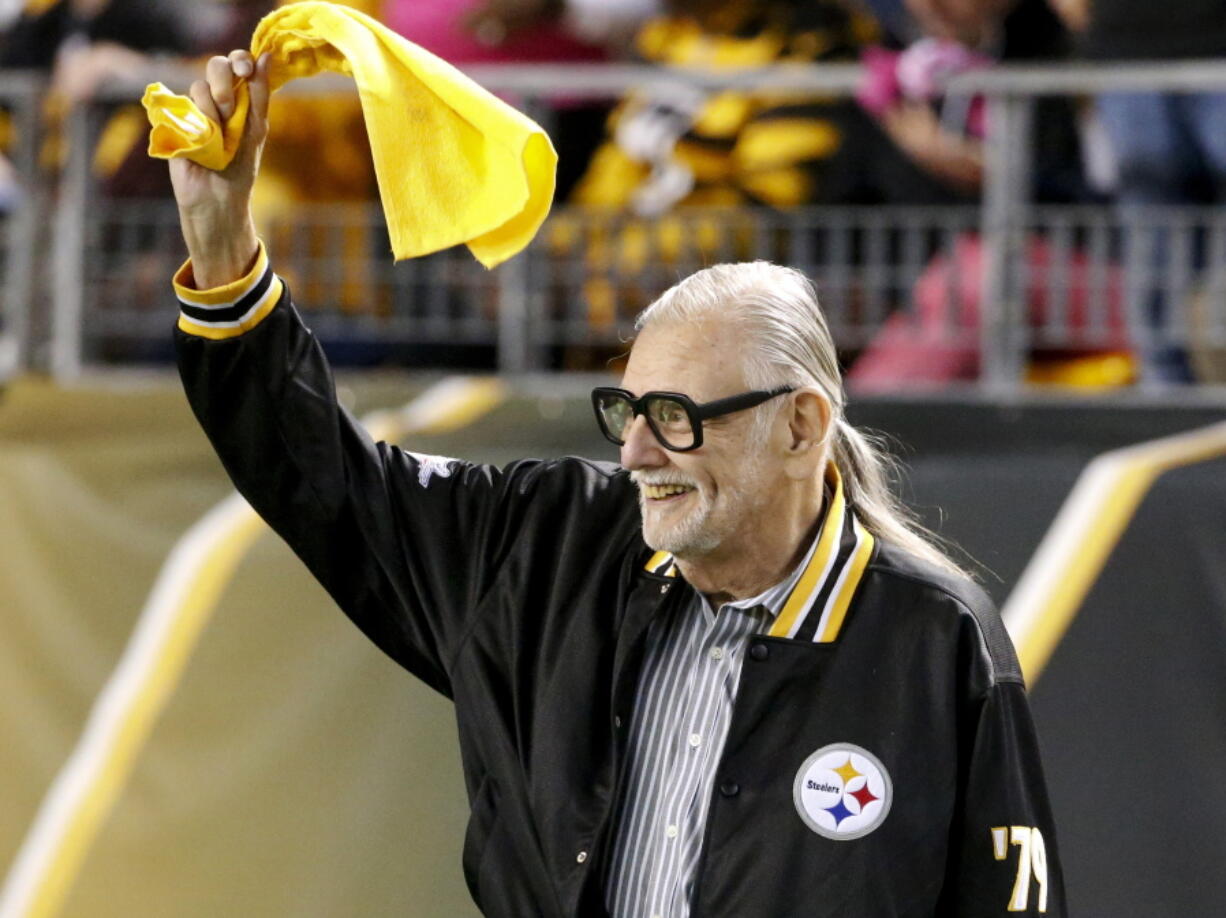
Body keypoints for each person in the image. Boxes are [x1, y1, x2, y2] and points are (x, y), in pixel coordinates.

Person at [168, 49, 1065, 917]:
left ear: (801, 426)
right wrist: (222, 257)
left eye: (676, 414)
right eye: (626, 409)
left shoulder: (934, 641)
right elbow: (323, 480)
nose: (636, 451)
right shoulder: (540, 549)